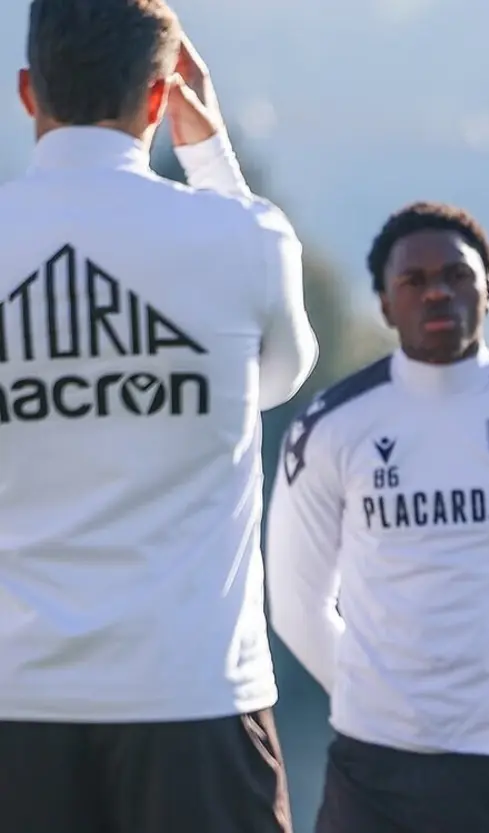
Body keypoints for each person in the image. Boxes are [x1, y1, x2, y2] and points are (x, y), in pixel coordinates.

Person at [0, 3, 317, 833]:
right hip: (196, 695)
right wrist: (210, 155)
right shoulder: (241, 237)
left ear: (29, 92)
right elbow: (278, 379)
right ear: (159, 100)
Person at [266, 200, 489, 833]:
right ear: (385, 304)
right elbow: (295, 604)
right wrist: (373, 700)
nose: (437, 292)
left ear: (488, 290)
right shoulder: (331, 425)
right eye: (413, 282)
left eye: (457, 276)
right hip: (377, 763)